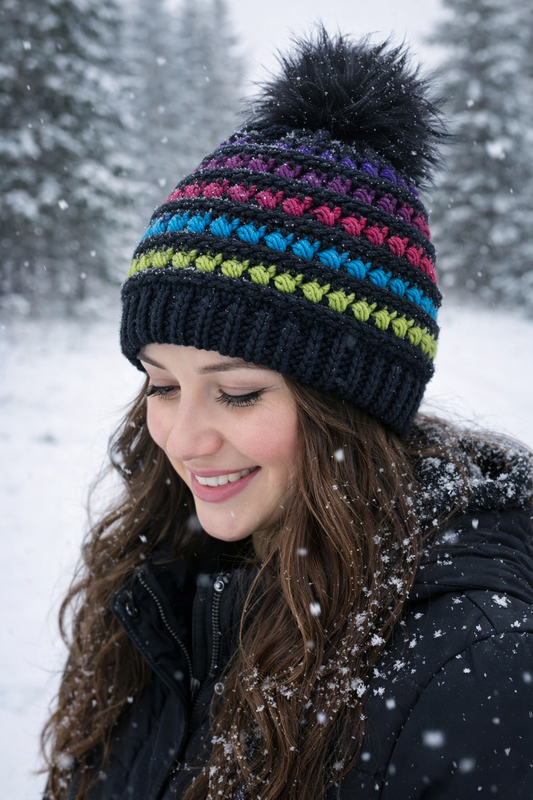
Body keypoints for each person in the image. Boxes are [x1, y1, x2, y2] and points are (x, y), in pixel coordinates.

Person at [42, 29, 533, 800]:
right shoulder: (157, 579)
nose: (183, 438)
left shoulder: (474, 671)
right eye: (161, 386)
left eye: (236, 392)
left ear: (350, 406)